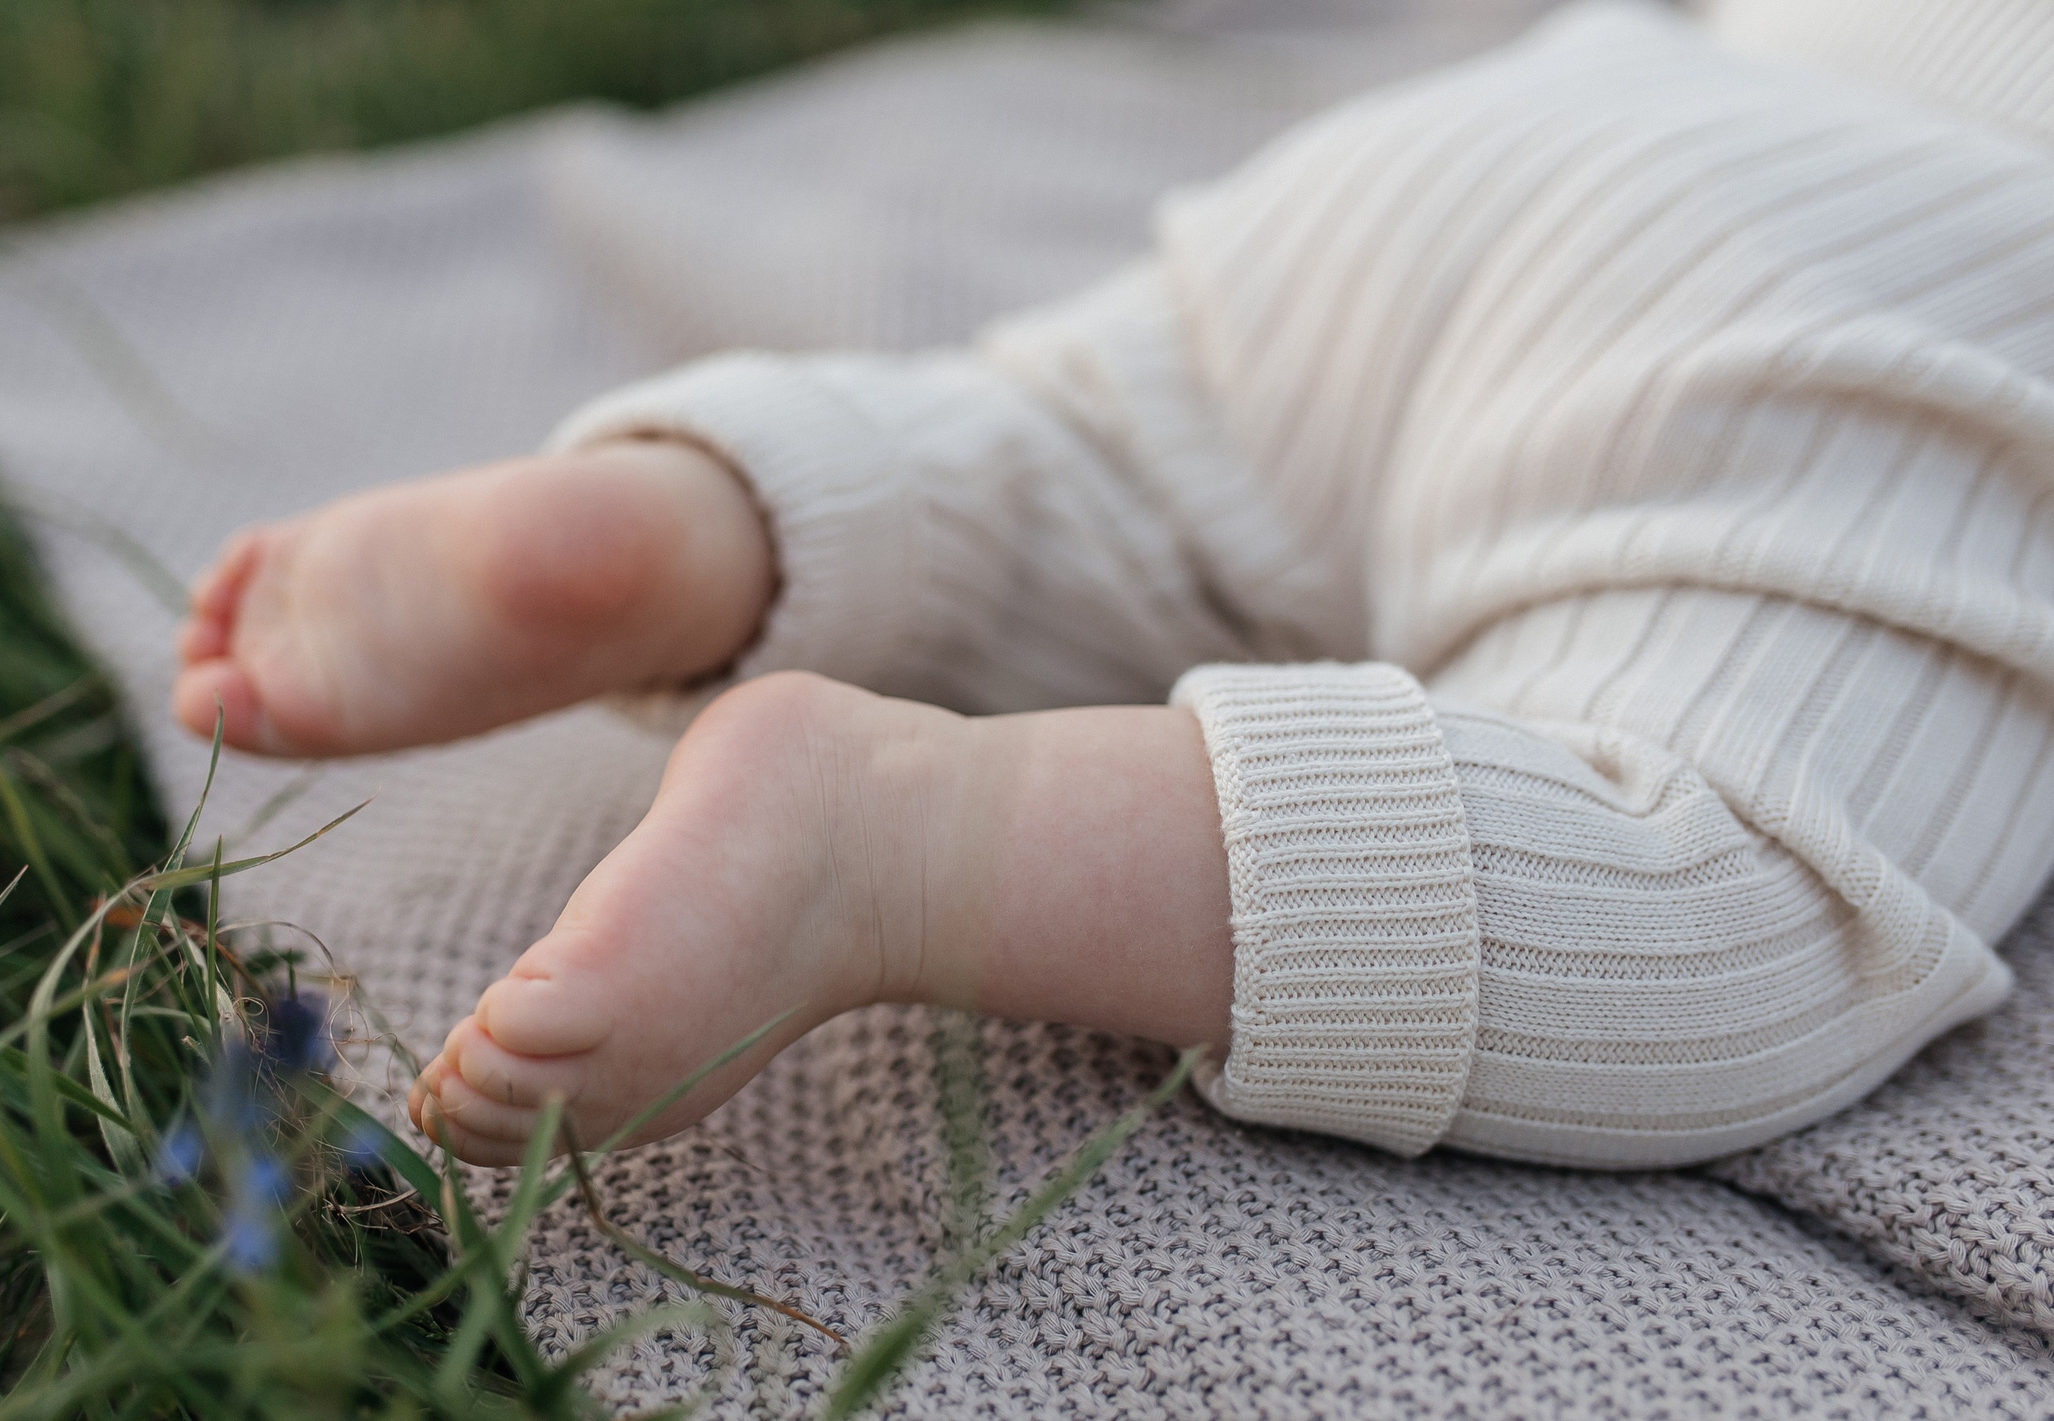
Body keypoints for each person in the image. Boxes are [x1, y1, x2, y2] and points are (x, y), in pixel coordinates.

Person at [170, 0, 2054, 1170]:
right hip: (1949, 289)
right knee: (1714, 892)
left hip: (1574, 132)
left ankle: (700, 529)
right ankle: (907, 833)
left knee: (1093, 453)